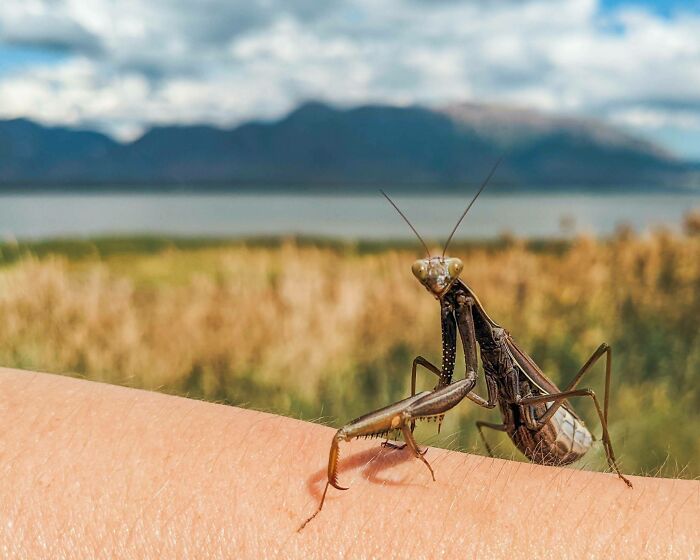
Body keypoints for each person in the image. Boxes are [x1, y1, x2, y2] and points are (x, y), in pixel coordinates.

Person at [1, 367, 696, 558]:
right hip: (524, 428)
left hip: (560, 429)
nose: (434, 282)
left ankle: (617, 470)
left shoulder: (487, 333)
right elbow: (452, 382)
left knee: (586, 380)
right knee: (432, 373)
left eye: (443, 277)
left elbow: (472, 386)